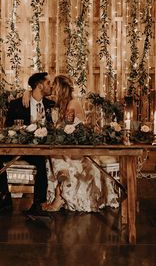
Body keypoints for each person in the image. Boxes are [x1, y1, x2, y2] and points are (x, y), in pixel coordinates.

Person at [41, 75, 119, 212]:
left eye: (55, 85)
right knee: (52, 154)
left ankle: (59, 196)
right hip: (71, 146)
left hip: (79, 150)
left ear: (62, 89)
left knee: (55, 156)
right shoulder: (63, 104)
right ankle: (60, 193)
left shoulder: (72, 104)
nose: (53, 87)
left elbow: (65, 127)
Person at [0, 72, 55, 215]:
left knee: (41, 162)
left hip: (38, 150)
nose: (51, 86)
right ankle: (5, 198)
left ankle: (38, 204)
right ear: (40, 85)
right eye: (48, 83)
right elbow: (8, 128)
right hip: (19, 147)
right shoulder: (17, 104)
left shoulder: (51, 104)